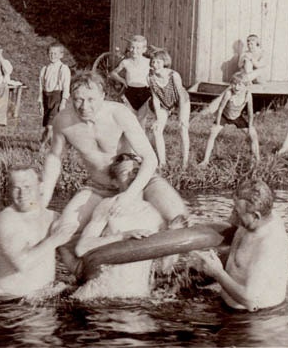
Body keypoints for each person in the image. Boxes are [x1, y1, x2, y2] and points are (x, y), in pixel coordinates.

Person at [41, 71, 189, 263]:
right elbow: (55, 158)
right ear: (71, 98)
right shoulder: (63, 122)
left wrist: (128, 196)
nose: (85, 106)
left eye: (91, 99)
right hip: (99, 187)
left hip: (138, 180)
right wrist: (44, 198)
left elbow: (150, 159)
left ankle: (173, 270)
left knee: (178, 218)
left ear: (103, 95)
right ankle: (83, 272)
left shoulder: (119, 114)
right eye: (78, 100)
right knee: (61, 230)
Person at [73, 153, 165, 299]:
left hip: (140, 296)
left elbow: (165, 267)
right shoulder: (108, 206)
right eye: (125, 173)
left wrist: (176, 230)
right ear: (115, 182)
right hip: (103, 295)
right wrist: (122, 236)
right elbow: (82, 248)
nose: (132, 176)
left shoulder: (155, 212)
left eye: (136, 171)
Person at [191, 178, 288, 311]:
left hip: (254, 317)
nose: (233, 216)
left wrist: (217, 273)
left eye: (237, 213)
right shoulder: (256, 219)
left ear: (256, 216)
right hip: (229, 306)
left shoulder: (269, 245)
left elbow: (251, 302)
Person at [0, 167, 78, 298]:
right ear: (9, 189)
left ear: (41, 187)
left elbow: (72, 258)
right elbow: (22, 263)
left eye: (27, 187)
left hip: (42, 298)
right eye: (16, 188)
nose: (22, 194)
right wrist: (55, 240)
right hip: (7, 300)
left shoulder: (54, 218)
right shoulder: (6, 219)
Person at [199, 71, 260, 165]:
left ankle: (256, 159)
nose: (236, 87)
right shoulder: (228, 93)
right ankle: (205, 160)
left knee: (253, 134)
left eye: (240, 85)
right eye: (234, 84)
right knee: (212, 133)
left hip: (237, 117)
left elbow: (250, 112)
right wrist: (218, 123)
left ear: (245, 86)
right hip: (225, 116)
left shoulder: (247, 95)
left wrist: (250, 125)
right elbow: (220, 108)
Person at [147, 48, 191, 169]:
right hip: (163, 103)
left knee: (183, 127)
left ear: (165, 62)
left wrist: (181, 116)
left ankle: (185, 162)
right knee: (157, 130)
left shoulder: (174, 75)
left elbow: (181, 96)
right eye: (153, 62)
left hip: (180, 101)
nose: (155, 65)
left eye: (158, 62)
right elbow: (155, 98)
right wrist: (157, 119)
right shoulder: (150, 77)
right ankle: (162, 163)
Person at [109, 35, 152, 123]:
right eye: (132, 47)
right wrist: (123, 80)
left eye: (138, 48)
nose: (134, 51)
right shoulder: (125, 62)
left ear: (144, 49)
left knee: (141, 122)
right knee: (130, 122)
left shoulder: (148, 62)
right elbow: (113, 73)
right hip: (130, 93)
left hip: (144, 93)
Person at [38, 43, 71, 148]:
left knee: (50, 126)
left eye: (55, 54)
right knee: (48, 126)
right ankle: (51, 144)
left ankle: (42, 146)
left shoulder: (63, 68)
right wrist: (40, 103)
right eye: (50, 53)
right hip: (46, 98)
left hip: (57, 98)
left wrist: (63, 102)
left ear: (61, 55)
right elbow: (41, 87)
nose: (52, 56)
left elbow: (66, 87)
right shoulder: (44, 69)